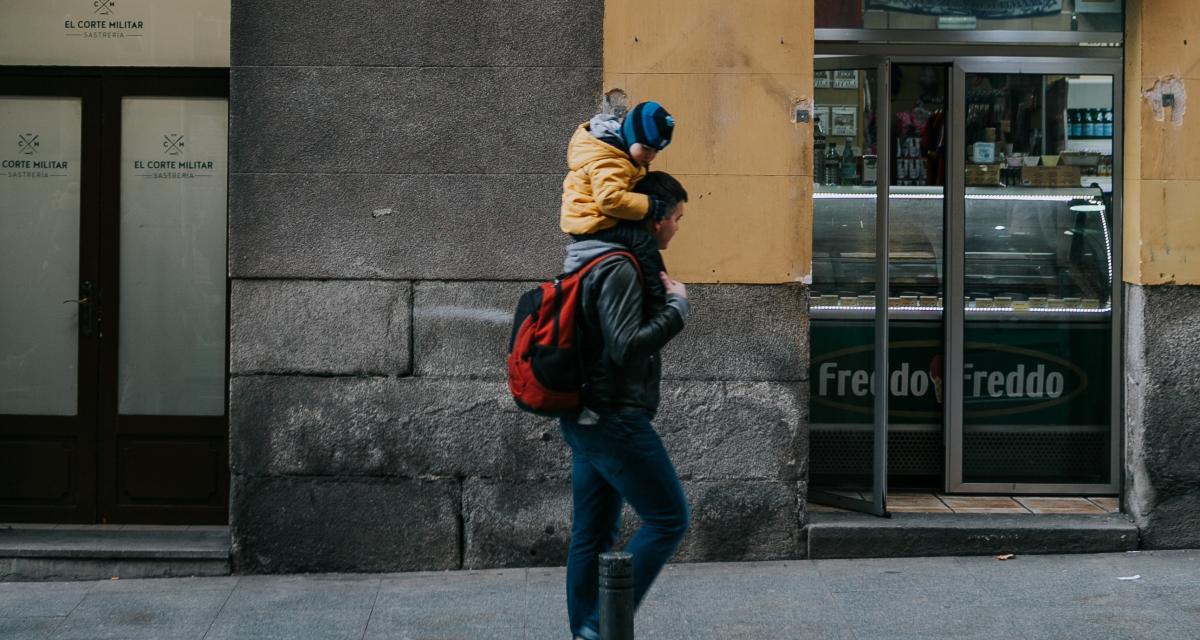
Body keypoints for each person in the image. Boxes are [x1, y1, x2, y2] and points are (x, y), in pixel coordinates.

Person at [558, 171, 690, 640]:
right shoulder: (619, 265)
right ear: (654, 221)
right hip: (612, 417)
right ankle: (599, 625)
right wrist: (676, 309)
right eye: (676, 217)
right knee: (670, 518)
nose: (678, 227)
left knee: (592, 533)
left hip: (589, 416)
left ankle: (586, 633)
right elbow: (625, 346)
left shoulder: (603, 255)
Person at [560, 99, 676, 311]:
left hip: (593, 217)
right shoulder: (612, 160)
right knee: (643, 242)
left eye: (656, 151)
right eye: (647, 148)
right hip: (591, 222)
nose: (650, 155)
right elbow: (610, 200)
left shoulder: (619, 152)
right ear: (631, 134)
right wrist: (648, 205)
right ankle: (658, 300)